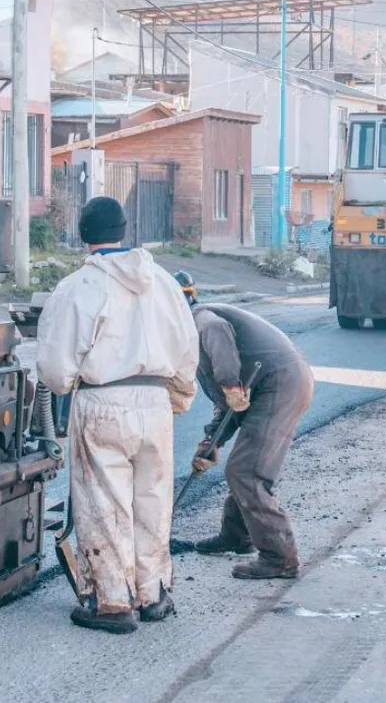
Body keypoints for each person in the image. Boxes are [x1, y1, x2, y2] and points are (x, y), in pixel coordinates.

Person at [37, 197, 199, 634]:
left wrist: (65, 385)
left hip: (103, 400)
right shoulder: (163, 282)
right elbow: (188, 348)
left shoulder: (79, 287)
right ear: (124, 230)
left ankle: (112, 602)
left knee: (104, 502)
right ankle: (153, 593)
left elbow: (54, 368)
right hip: (156, 401)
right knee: (153, 499)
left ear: (83, 235)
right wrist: (178, 399)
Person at [187, 301, 315, 579]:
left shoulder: (198, 318)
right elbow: (229, 403)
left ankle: (279, 558)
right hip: (270, 383)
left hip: (279, 382)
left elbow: (216, 332)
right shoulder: (193, 330)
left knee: (247, 471)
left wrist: (230, 383)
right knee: (244, 465)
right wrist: (212, 442)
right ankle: (236, 536)